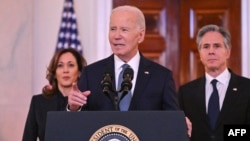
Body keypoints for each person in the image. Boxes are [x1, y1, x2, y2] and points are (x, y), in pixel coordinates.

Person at [68, 5, 191, 137]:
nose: (116, 36)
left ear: (141, 35)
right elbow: (76, 126)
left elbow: (171, 122)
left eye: (124, 30)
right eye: (113, 29)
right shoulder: (91, 73)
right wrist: (73, 108)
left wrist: (179, 122)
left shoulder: (161, 77)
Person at [178, 24, 250, 141]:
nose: (211, 51)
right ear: (200, 54)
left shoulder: (247, 89)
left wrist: (227, 134)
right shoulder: (185, 93)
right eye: (206, 47)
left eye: (217, 46)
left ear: (227, 52)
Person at [22, 48, 87, 141]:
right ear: (55, 73)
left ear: (80, 72)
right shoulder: (38, 102)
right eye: (60, 65)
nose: (65, 70)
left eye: (71, 65)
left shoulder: (88, 102)